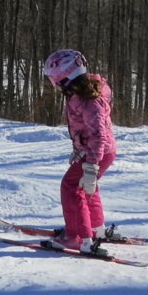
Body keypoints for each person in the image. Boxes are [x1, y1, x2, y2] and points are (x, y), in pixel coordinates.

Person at [42, 49, 117, 255]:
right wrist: (79, 150)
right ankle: (96, 229)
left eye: (54, 80)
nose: (55, 85)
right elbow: (88, 131)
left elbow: (98, 136)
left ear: (65, 79)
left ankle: (77, 237)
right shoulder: (84, 94)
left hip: (96, 152)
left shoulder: (89, 100)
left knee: (71, 186)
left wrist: (91, 166)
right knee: (85, 187)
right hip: (99, 151)